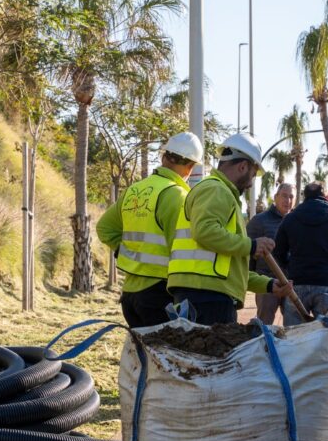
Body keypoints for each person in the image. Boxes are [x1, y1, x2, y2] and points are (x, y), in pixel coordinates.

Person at [168, 133, 287, 325]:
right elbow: (204, 230)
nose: (251, 182)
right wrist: (252, 245)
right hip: (207, 298)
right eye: (253, 174)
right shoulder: (217, 190)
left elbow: (231, 270)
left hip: (203, 294)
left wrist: (268, 284)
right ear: (242, 167)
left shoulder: (220, 193)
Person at [97, 132, 204, 328]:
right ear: (191, 167)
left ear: (163, 157)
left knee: (140, 356)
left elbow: (104, 228)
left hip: (130, 294)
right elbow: (183, 252)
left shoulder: (135, 190)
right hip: (160, 296)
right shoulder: (178, 196)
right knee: (164, 357)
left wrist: (125, 251)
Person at [272, 182, 328, 326]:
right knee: (324, 339)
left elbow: (278, 252)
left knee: (294, 339)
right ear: (326, 196)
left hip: (296, 285)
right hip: (326, 284)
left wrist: (291, 268)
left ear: (304, 197)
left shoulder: (290, 219)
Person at [246, 183, 295, 325]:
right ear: (275, 197)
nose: (288, 200)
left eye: (291, 197)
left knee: (293, 330)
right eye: (284, 196)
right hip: (266, 284)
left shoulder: (297, 222)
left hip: (291, 285)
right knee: (264, 328)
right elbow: (248, 254)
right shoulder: (259, 221)